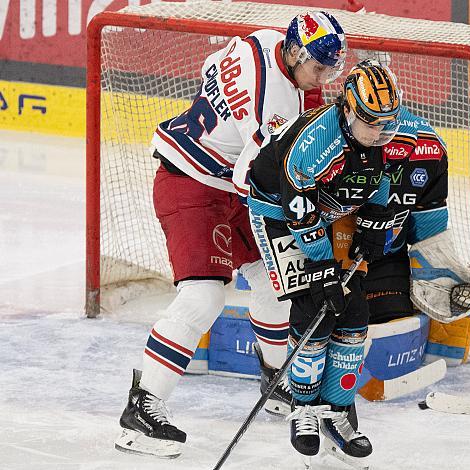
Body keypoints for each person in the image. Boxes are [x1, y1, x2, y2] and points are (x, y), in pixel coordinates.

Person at [114, 11, 347, 458]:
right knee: (205, 297)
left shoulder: (265, 39)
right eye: (318, 68)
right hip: (193, 181)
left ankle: (279, 381)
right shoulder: (271, 102)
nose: (323, 79)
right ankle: (141, 411)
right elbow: (256, 177)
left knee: (278, 277)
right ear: (296, 53)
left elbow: (209, 70)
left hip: (223, 174)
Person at [246, 59, 401, 466]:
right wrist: (320, 268)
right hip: (278, 212)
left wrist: (375, 224)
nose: (383, 132)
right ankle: (302, 409)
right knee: (314, 302)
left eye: (389, 122)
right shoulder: (318, 144)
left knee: (354, 308)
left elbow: (381, 179)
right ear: (348, 111)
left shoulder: (374, 135)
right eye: (373, 123)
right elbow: (297, 211)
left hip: (328, 210)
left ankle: (337, 410)